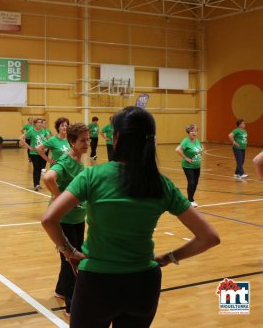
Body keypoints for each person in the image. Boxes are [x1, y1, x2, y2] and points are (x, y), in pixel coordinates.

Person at [41, 106, 220, 327]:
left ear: (116, 138)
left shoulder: (93, 176)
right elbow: (209, 237)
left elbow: (49, 219)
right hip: (144, 283)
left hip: (97, 283)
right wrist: (168, 257)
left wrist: (69, 252)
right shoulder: (161, 184)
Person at [42, 123, 89, 316]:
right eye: (82, 140)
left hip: (78, 217)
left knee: (71, 257)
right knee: (72, 260)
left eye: (88, 139)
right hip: (66, 219)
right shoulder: (67, 160)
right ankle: (71, 304)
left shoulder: (78, 158)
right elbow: (48, 177)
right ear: (71, 141)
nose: (87, 143)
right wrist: (60, 197)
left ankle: (61, 290)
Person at [175, 124, 202, 208]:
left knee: (196, 182)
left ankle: (191, 199)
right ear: (188, 132)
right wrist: (186, 158)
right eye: (192, 131)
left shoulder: (197, 141)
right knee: (191, 182)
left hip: (197, 166)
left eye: (195, 131)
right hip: (188, 166)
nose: (194, 133)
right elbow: (177, 150)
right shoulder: (186, 141)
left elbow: (200, 149)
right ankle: (190, 200)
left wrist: (200, 153)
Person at [20, 118, 47, 191]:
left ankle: (38, 184)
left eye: (41, 122)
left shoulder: (43, 131)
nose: (40, 124)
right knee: (36, 168)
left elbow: (46, 139)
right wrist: (29, 147)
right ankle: (36, 184)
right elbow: (21, 138)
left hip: (42, 152)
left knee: (41, 168)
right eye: (38, 122)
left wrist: (46, 146)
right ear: (35, 123)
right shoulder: (31, 131)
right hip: (34, 153)